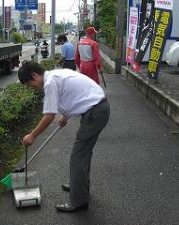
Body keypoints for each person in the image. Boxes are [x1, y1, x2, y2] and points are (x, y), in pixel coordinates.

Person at [18, 61, 110, 213]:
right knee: (83, 154)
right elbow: (74, 94)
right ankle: (78, 186)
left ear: (34, 75)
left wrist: (32, 136)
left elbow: (49, 116)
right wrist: (66, 116)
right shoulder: (55, 74)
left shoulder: (49, 83)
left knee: (78, 156)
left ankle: (79, 201)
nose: (32, 87)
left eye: (30, 84)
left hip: (95, 112)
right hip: (98, 109)